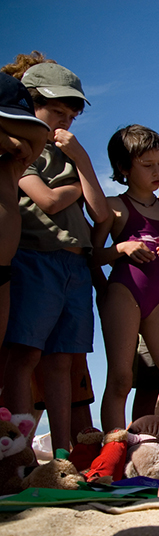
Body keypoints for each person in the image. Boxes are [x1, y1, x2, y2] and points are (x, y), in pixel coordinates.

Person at [1, 61, 108, 454]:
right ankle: (18, 453)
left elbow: (102, 213)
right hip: (35, 258)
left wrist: (81, 162)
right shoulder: (24, 147)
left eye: (71, 115)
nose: (65, 122)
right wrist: (74, 189)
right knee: (24, 355)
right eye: (57, 112)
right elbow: (46, 200)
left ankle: (62, 455)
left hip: (75, 264)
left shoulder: (69, 155)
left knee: (63, 361)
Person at [93, 125, 159, 444]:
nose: (157, 172)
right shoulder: (114, 206)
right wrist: (119, 249)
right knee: (121, 379)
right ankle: (113, 452)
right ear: (124, 168)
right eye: (147, 165)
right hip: (123, 294)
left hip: (156, 303)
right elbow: (90, 255)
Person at [0, 72, 49, 348]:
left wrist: (8, 141)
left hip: (3, 271)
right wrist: (8, 140)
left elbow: (39, 134)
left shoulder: (14, 161)